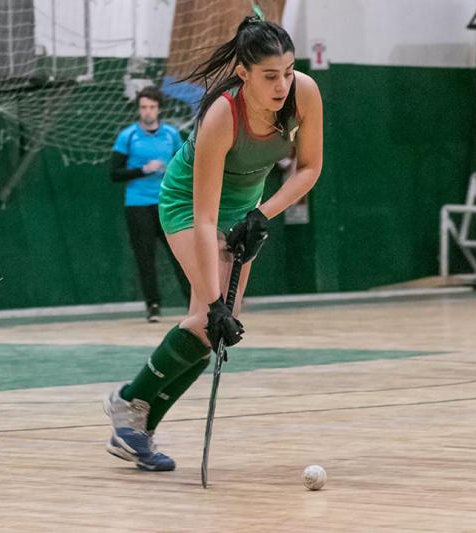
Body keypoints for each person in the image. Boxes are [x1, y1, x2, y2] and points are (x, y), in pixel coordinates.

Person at [103, 14, 323, 471]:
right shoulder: (223, 113)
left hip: (243, 209)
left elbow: (308, 169)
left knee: (213, 330)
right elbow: (203, 218)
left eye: (287, 71)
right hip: (189, 205)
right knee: (211, 317)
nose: (282, 84)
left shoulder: (304, 93)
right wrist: (211, 298)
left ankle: (136, 429)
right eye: (269, 76)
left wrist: (262, 214)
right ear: (243, 74)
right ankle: (129, 402)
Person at [110, 86, 191, 322]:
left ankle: (193, 304)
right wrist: (142, 170)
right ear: (138, 109)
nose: (148, 112)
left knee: (181, 255)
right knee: (145, 257)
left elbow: (183, 164)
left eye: (152, 107)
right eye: (144, 107)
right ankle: (153, 306)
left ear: (159, 109)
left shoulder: (171, 134)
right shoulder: (128, 136)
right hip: (138, 205)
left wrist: (170, 169)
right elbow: (114, 173)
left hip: (168, 203)